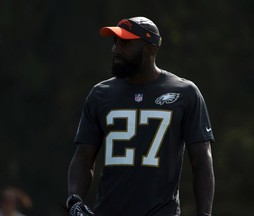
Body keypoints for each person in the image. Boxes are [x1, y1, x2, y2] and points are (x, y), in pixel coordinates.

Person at [66, 16, 215, 216]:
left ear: (150, 49)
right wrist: (74, 198)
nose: (116, 49)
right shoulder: (100, 94)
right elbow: (84, 157)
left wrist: (205, 213)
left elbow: (201, 159)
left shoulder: (185, 92)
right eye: (115, 42)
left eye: (125, 43)